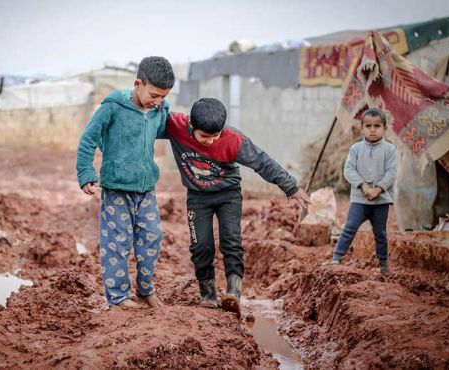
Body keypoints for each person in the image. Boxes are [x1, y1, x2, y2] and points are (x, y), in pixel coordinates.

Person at [164, 98, 311, 314]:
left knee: (231, 241)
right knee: (201, 245)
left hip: (228, 194)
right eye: (205, 136)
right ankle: (208, 292)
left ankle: (234, 292)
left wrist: (290, 187)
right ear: (191, 126)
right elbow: (149, 119)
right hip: (197, 196)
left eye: (216, 136)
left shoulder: (233, 139)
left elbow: (262, 161)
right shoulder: (175, 126)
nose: (211, 141)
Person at [76, 56, 175, 309]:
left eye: (163, 97)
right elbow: (89, 139)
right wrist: (86, 173)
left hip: (145, 190)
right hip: (116, 189)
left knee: (152, 237)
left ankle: (145, 289)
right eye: (154, 95)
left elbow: (166, 128)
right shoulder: (112, 107)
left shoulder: (157, 110)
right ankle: (119, 297)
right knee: (117, 243)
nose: (158, 101)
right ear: (138, 84)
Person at [327, 108, 398, 274]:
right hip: (359, 200)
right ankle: (336, 258)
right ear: (362, 128)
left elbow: (392, 172)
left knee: (380, 233)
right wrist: (364, 186)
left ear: (385, 129)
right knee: (349, 227)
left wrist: (378, 189)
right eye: (368, 126)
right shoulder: (356, 149)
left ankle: (383, 266)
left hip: (381, 201)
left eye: (377, 126)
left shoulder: (390, 150)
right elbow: (349, 170)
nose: (372, 130)